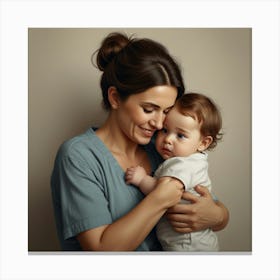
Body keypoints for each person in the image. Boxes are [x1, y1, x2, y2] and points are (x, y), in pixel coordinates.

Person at [51, 32, 229, 251]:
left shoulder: (162, 146)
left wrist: (217, 215)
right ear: (115, 98)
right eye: (149, 109)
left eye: (166, 111)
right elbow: (101, 251)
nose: (158, 123)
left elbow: (213, 206)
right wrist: (161, 197)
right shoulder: (79, 156)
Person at [125, 93, 222, 251]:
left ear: (203, 143)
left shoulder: (183, 164)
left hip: (188, 247)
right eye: (165, 130)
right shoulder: (194, 160)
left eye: (181, 135)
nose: (168, 139)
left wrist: (142, 180)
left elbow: (165, 193)